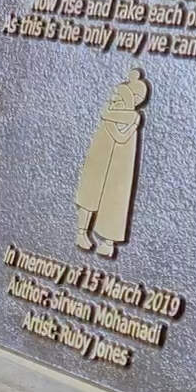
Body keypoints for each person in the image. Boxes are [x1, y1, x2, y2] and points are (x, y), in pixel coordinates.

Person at [75, 68, 149, 256]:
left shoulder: (126, 116)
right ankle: (82, 233)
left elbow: (121, 137)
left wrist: (115, 119)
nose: (114, 99)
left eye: (119, 98)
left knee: (114, 202)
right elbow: (119, 134)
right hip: (102, 160)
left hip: (119, 165)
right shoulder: (120, 116)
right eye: (115, 97)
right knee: (91, 195)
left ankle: (107, 243)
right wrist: (124, 121)